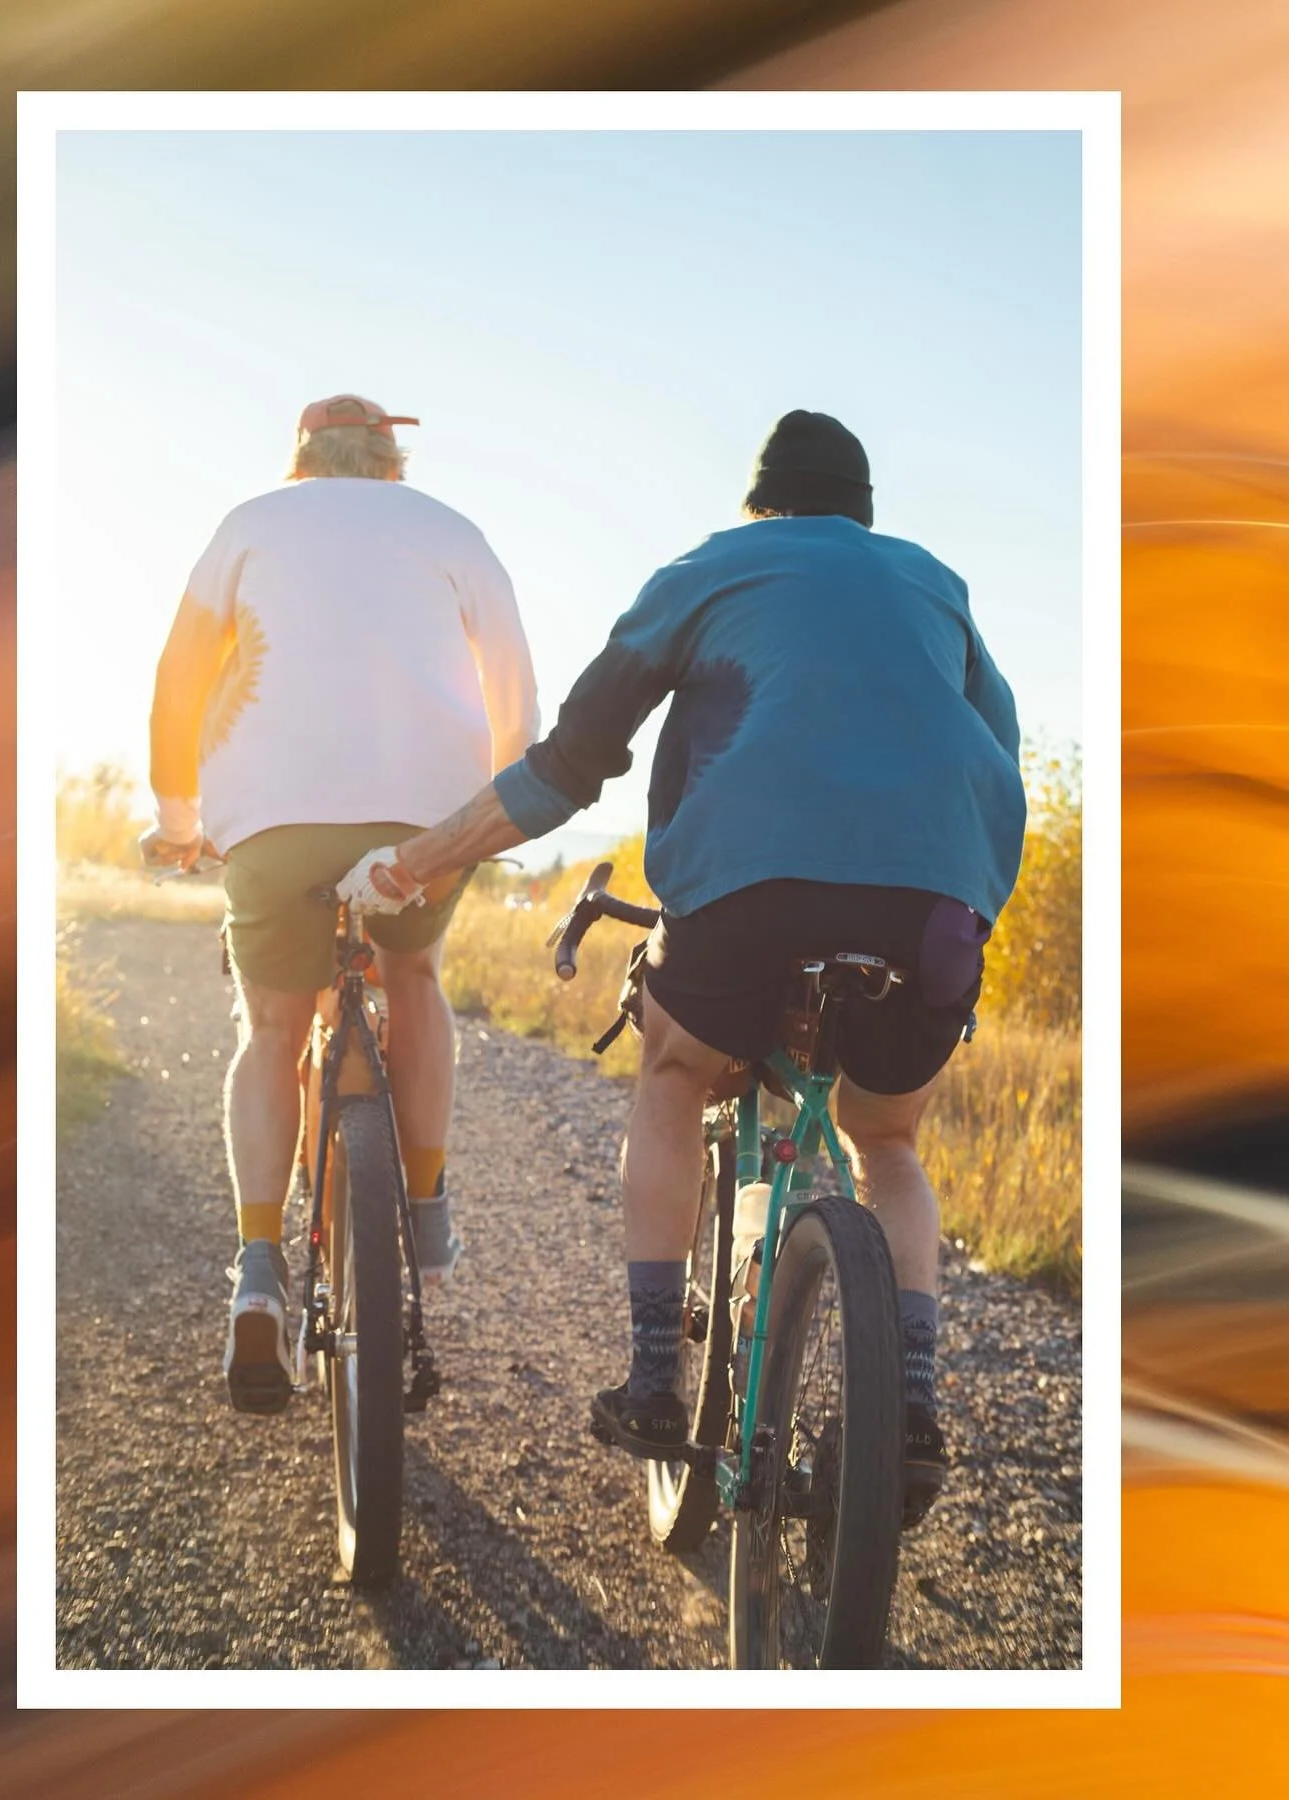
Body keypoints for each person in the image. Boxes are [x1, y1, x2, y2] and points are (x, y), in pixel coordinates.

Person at [337, 410, 1026, 1525]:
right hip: (935, 903)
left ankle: (658, 1377)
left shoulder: (711, 568)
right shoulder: (932, 584)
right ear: (861, 515)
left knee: (672, 1073)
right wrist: (965, 905)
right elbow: (996, 745)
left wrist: (414, 866)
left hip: (748, 893)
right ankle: (911, 1405)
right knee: (887, 1141)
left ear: (760, 506)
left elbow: (567, 769)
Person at [140, 394, 539, 1414]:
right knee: (412, 973)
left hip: (271, 828)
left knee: (274, 1028)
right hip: (427, 828)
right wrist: (490, 811)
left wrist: (180, 816)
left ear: (302, 458)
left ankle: (261, 1267)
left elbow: (181, 675)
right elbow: (518, 707)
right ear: (390, 462)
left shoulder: (251, 523)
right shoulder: (453, 532)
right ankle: (425, 1199)